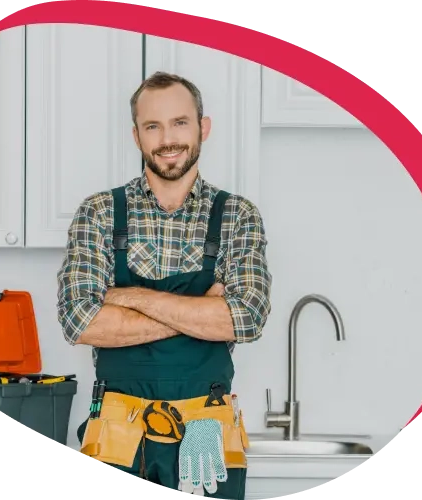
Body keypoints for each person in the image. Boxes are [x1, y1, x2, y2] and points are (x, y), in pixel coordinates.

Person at [57, 71, 272, 499]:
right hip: (117, 431)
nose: (167, 138)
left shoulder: (237, 216)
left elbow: (245, 318)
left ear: (202, 128)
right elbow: (80, 322)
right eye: (152, 126)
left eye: (180, 123)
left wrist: (129, 298)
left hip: (206, 427)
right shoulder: (99, 212)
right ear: (136, 136)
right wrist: (201, 311)